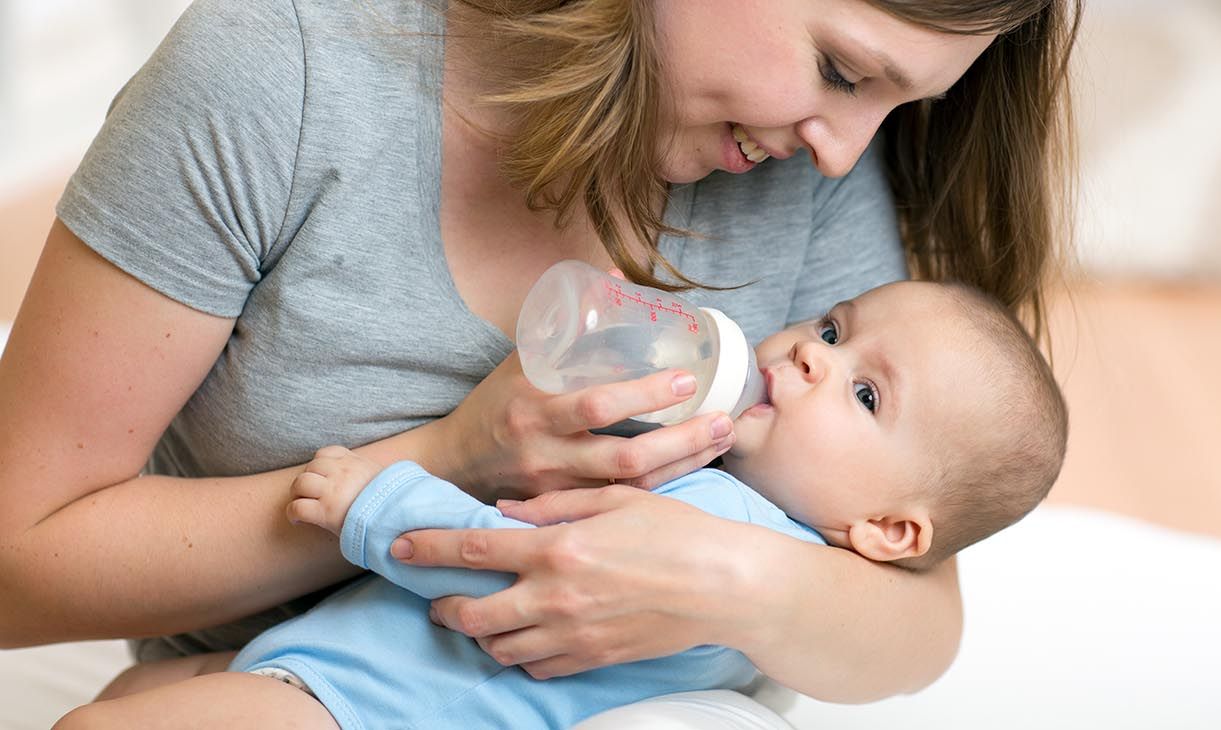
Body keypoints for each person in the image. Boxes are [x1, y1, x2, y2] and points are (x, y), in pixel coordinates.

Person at [0, 0, 1080, 721]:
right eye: (841, 69)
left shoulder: (800, 163)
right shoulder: (281, 73)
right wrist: (454, 455)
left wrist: (730, 581)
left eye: (896, 100)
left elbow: (914, 611)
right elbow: (14, 568)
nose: (847, 146)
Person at [54, 280, 1068, 729]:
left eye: (862, 391)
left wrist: (377, 499)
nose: (810, 350)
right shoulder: (721, 490)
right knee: (125, 702)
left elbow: (511, 560)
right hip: (326, 670)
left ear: (890, 529)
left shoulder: (736, 535)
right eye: (837, 326)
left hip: (368, 711)